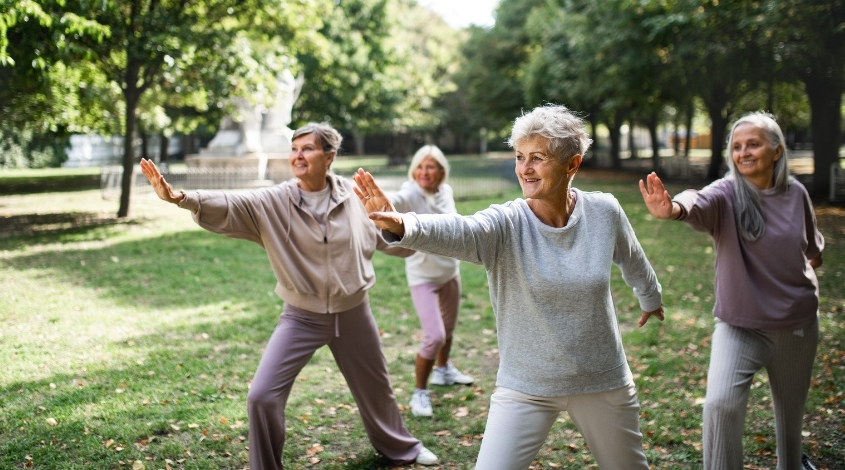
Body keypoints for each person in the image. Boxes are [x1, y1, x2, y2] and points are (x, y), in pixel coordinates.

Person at [353, 104, 665, 470]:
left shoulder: (604, 212)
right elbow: (461, 230)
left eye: (538, 158)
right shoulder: (506, 223)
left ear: (572, 165)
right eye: (519, 157)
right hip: (526, 386)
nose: (525, 169)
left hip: (601, 379)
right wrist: (403, 225)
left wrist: (650, 296)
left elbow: (633, 259)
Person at [139, 122, 439, 469]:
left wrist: (397, 228)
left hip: (354, 311)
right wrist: (182, 198)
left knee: (377, 390)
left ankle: (402, 448)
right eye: (294, 148)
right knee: (261, 396)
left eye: (307, 148)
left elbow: (395, 244)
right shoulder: (274, 200)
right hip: (301, 317)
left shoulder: (355, 196)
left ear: (329, 156)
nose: (298, 155)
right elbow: (231, 202)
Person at [639, 111, 824, 470]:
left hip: (796, 326)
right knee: (719, 405)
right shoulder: (726, 194)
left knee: (790, 418)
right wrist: (674, 209)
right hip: (741, 325)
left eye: (753, 144)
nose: (744, 153)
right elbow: (696, 201)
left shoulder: (796, 193)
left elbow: (812, 254)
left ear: (776, 150)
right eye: (737, 147)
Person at [388, 145, 473, 418]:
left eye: (431, 167)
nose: (425, 172)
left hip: (450, 271)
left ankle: (443, 371)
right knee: (434, 336)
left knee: (448, 331)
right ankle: (419, 392)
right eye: (421, 167)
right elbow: (395, 202)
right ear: (414, 169)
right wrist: (380, 203)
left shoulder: (445, 192)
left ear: (441, 171)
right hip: (423, 276)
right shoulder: (411, 192)